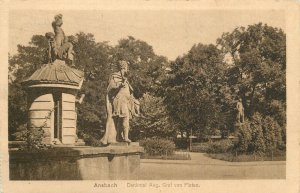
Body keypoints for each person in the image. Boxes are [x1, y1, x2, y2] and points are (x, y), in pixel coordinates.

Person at [100, 60, 139, 144]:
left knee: (121, 119)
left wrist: (133, 101)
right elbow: (110, 88)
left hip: (126, 101)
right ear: (123, 67)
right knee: (125, 118)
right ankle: (125, 138)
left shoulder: (125, 79)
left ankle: (120, 137)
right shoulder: (115, 76)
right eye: (125, 68)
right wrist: (120, 85)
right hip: (119, 100)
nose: (126, 70)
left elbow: (130, 92)